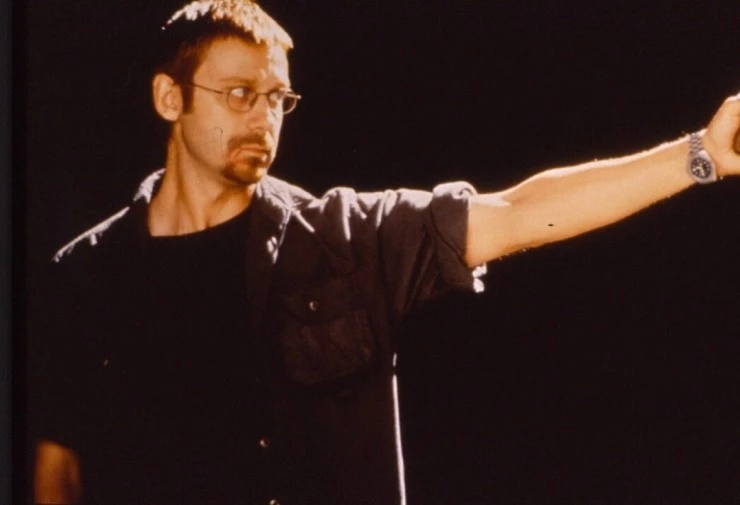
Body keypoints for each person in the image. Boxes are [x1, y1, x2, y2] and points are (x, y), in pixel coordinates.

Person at [28, 1, 740, 504]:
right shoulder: (86, 274)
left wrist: (699, 155)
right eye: (240, 94)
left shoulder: (343, 240)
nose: (264, 118)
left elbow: (515, 212)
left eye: (278, 98)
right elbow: (57, 471)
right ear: (169, 98)